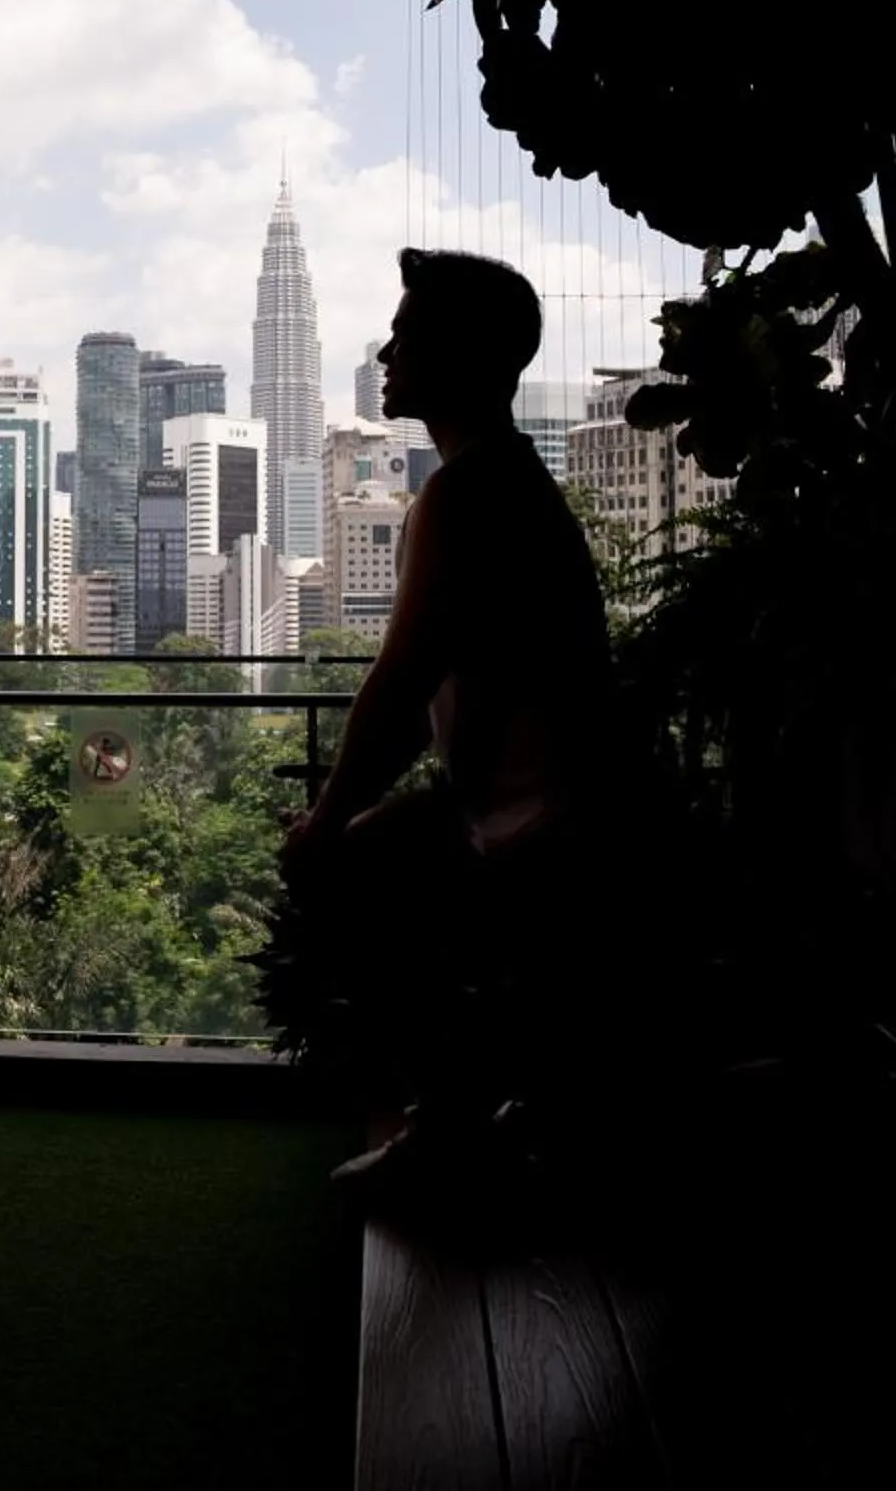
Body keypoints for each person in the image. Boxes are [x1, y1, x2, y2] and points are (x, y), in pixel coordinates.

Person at [279, 248, 619, 1197]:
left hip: (536, 825)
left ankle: (451, 1126)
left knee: (343, 873)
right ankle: (480, 1110)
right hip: (528, 808)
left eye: (408, 335)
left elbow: (402, 682)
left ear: (464, 355)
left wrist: (323, 824)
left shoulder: (467, 493)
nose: (388, 354)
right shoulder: (500, 480)